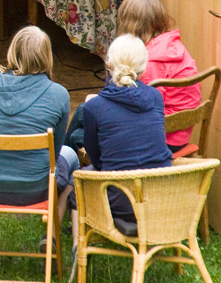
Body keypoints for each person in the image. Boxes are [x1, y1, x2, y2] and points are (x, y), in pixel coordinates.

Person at [0, 26, 78, 266]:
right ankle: (50, 237)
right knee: (72, 158)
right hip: (36, 187)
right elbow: (55, 152)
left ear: (13, 52)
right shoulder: (59, 94)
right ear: (46, 56)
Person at [65, 33, 173, 231]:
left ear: (108, 64)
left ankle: (78, 256)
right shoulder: (156, 98)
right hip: (159, 200)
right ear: (144, 67)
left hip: (119, 203)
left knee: (78, 183)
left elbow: (97, 161)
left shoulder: (94, 107)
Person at [116, 0, 201, 154]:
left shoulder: (149, 61)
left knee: (87, 117)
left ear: (130, 25)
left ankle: (63, 165)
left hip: (159, 140)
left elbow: (141, 109)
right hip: (180, 135)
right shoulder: (172, 46)